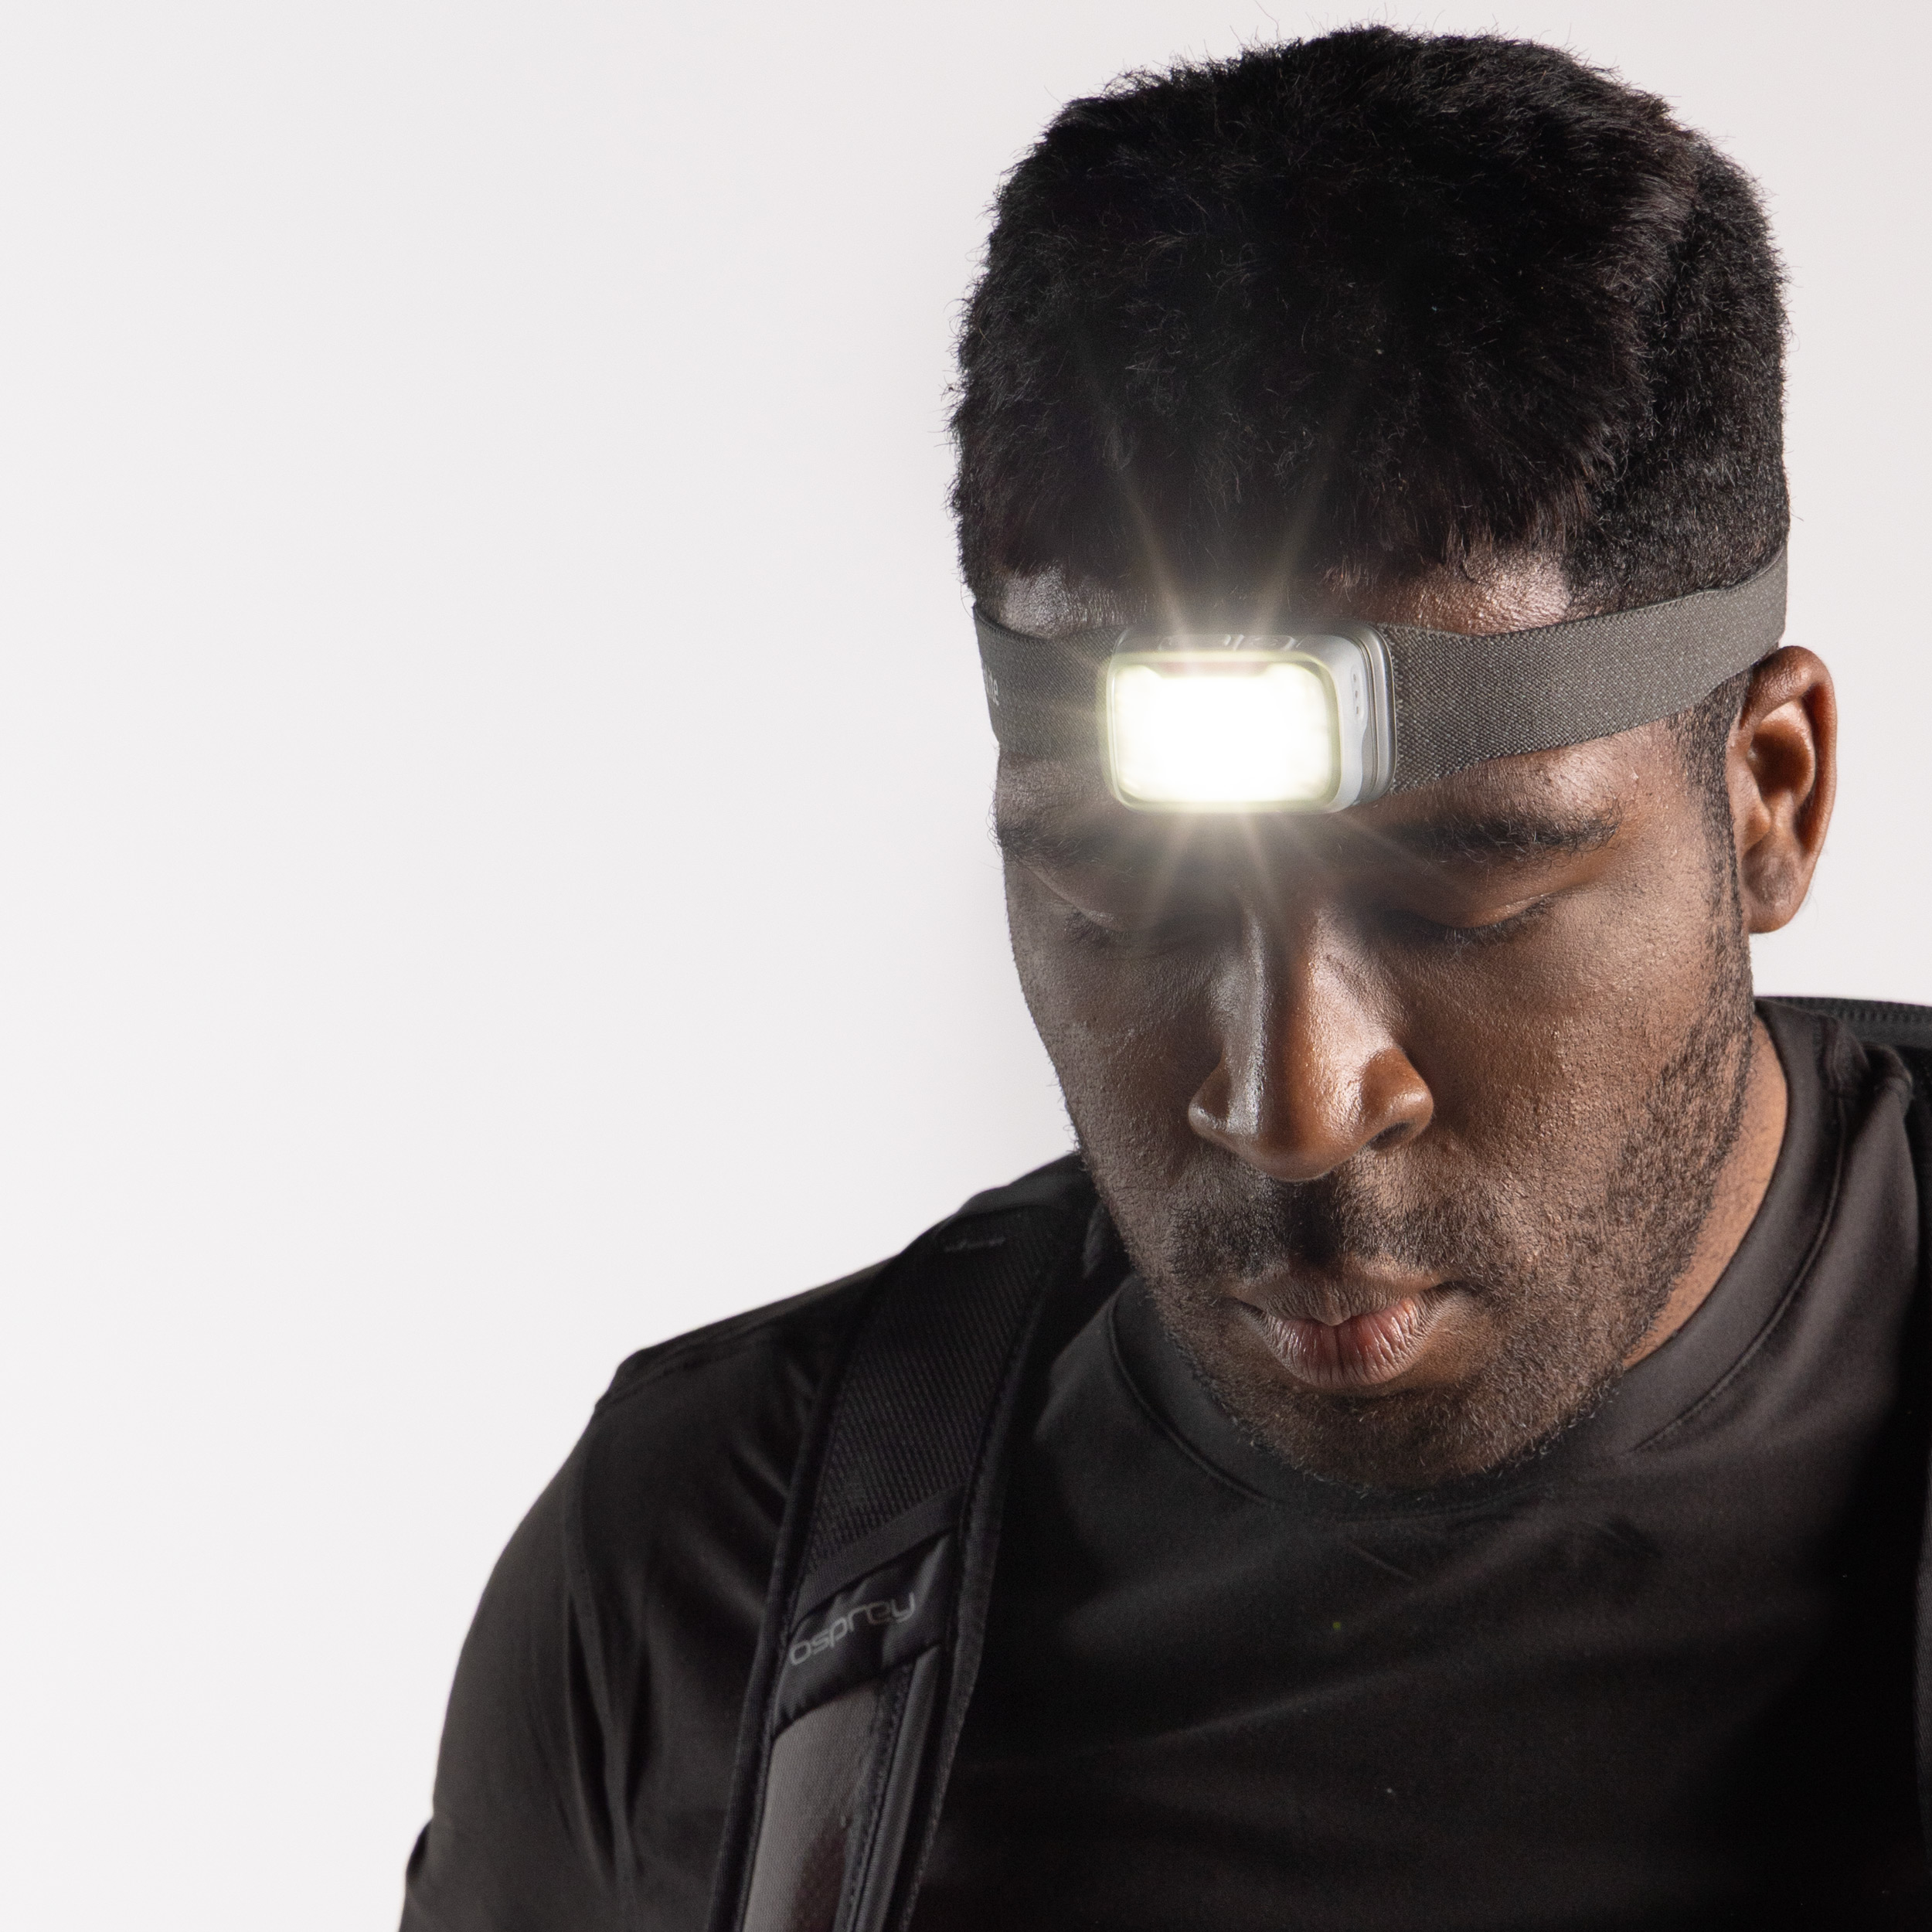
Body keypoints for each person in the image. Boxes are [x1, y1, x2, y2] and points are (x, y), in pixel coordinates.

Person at [400, 28, 1931, 1930]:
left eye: (1461, 893)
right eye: (1123, 899)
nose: (1289, 1098)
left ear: (1766, 795)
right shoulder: (712, 1579)